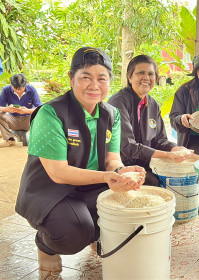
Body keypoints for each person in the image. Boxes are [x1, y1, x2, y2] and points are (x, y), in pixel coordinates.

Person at [15, 47, 146, 272]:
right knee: (74, 231)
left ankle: (94, 232)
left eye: (101, 78)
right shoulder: (51, 113)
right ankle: (45, 244)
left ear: (109, 82)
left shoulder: (111, 114)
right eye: (86, 77)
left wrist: (121, 171)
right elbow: (58, 172)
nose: (94, 85)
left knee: (128, 206)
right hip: (49, 191)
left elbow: (112, 159)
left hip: (88, 186)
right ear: (71, 78)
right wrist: (108, 177)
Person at [108, 55, 191, 187]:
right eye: (141, 73)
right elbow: (128, 147)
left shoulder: (152, 104)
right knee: (154, 181)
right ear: (130, 77)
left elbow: (160, 140)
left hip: (146, 162)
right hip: (122, 165)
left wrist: (174, 148)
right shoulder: (118, 102)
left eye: (151, 74)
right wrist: (166, 155)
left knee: (176, 175)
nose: (146, 77)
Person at [0, 74, 43, 147]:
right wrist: (7, 109)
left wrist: (27, 111)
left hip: (28, 119)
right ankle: (10, 140)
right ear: (11, 84)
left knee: (41, 114)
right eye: (15, 88)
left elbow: (40, 108)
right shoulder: (6, 90)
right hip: (13, 120)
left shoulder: (32, 90)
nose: (18, 91)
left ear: (25, 84)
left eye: (20, 89)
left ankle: (37, 138)